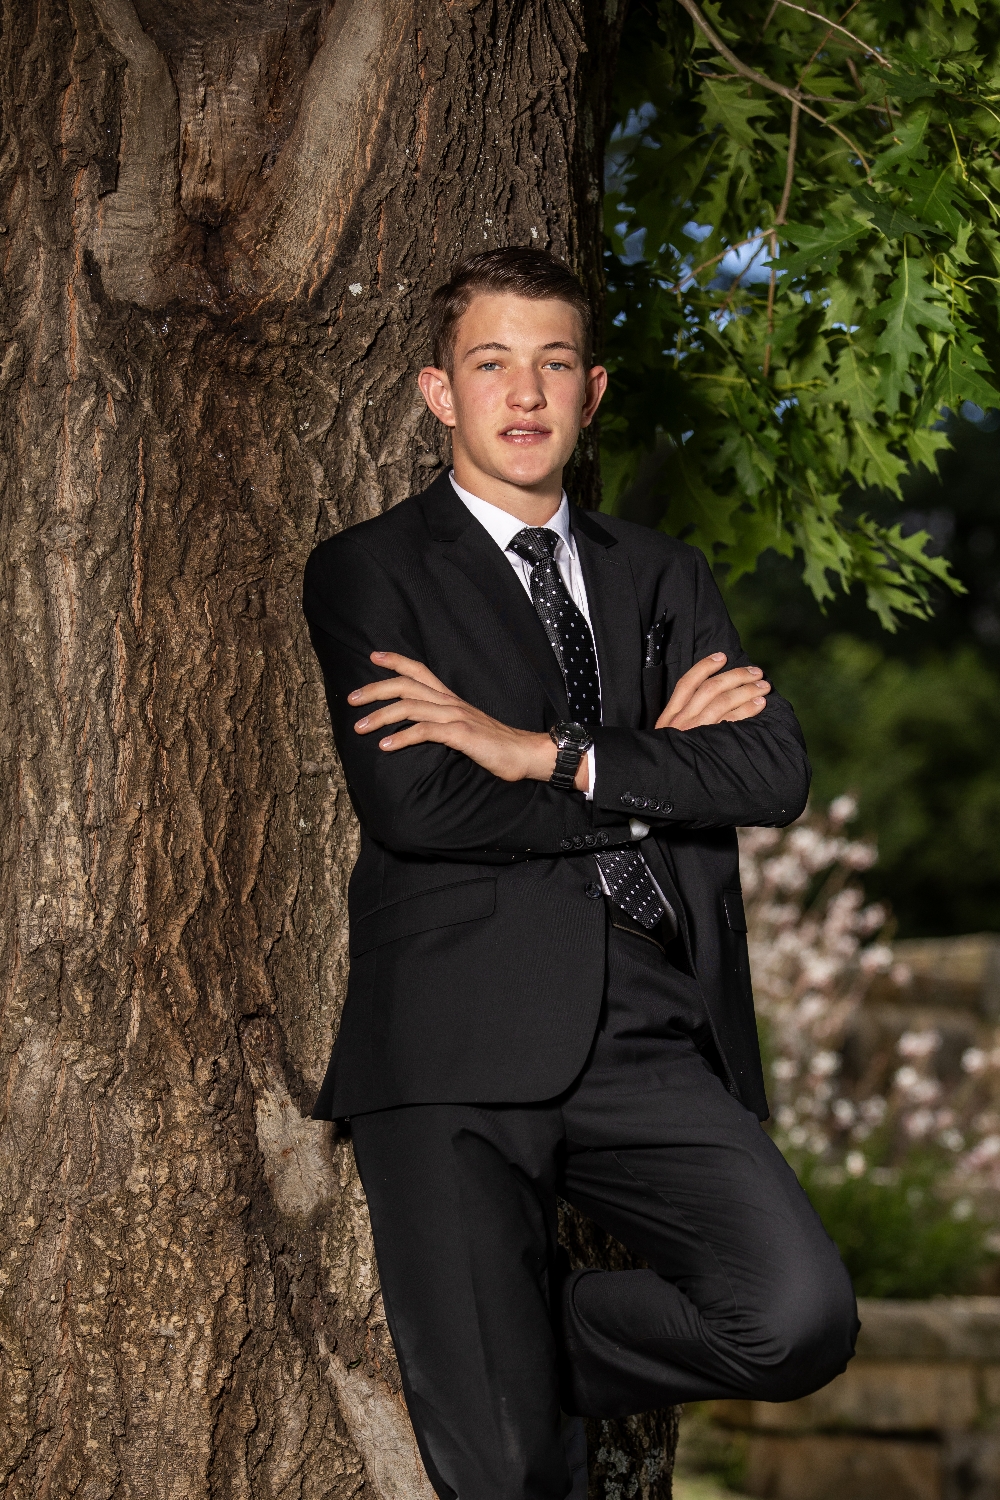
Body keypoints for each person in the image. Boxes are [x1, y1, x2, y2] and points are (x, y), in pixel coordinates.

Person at [303, 247, 858, 1500]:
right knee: (507, 1477)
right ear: (439, 393)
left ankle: (508, 1336)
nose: (525, 394)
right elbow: (418, 801)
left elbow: (769, 776)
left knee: (794, 1316)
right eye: (490, 363)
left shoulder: (662, 576)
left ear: (592, 390)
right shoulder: (370, 570)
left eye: (553, 363)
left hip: (655, 1036)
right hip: (452, 1036)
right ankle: (485, 1362)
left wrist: (534, 751)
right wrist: (647, 782)